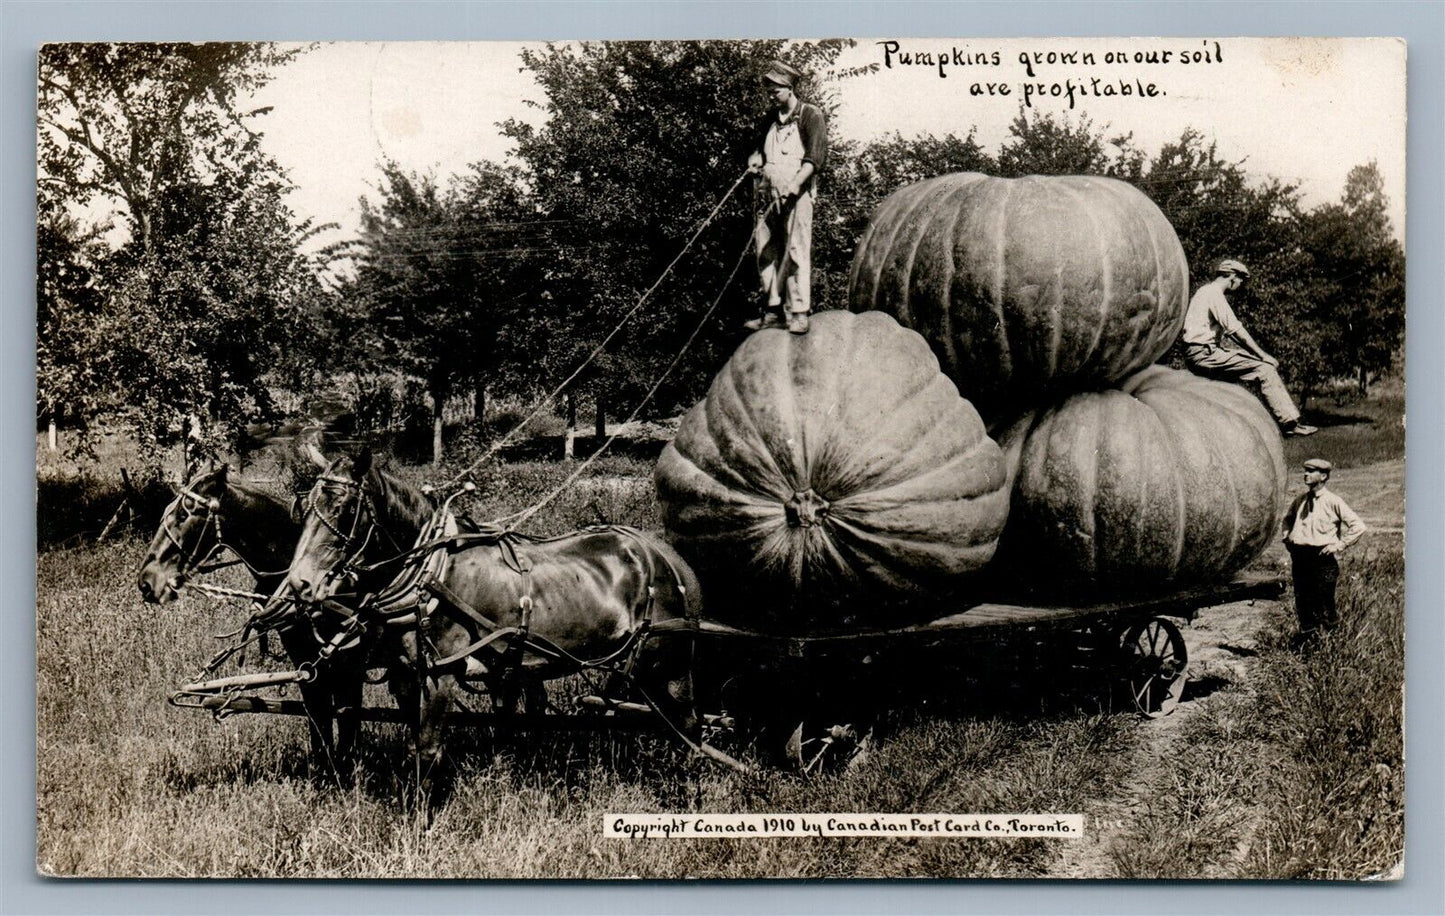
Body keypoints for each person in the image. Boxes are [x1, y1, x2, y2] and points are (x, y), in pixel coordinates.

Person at [1181, 259, 1317, 436]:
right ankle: (1289, 424)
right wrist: (1263, 355)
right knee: (1264, 369)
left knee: (1229, 391)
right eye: (1240, 281)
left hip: (1198, 354)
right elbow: (1236, 330)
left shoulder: (1203, 292)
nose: (1240, 286)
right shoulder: (1214, 293)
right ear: (1231, 277)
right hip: (1205, 353)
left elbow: (1228, 336)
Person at [743, 60, 828, 335]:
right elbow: (757, 151)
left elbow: (814, 158)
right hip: (766, 193)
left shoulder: (809, 115)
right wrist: (755, 161)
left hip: (796, 193)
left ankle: (799, 312)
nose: (771, 96)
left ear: (790, 88)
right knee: (765, 251)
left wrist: (795, 184)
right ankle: (772, 311)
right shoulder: (770, 118)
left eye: (775, 91)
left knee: (795, 251)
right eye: (768, 91)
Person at [1282, 458, 1366, 647]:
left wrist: (1339, 545)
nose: (1306, 474)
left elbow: (1358, 526)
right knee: (1302, 601)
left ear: (1323, 476)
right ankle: (1308, 646)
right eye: (1305, 470)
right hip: (1300, 557)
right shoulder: (1300, 501)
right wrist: (1287, 538)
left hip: (1322, 559)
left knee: (1324, 603)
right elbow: (1287, 520)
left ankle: (1333, 647)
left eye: (1311, 471)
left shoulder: (1333, 501)